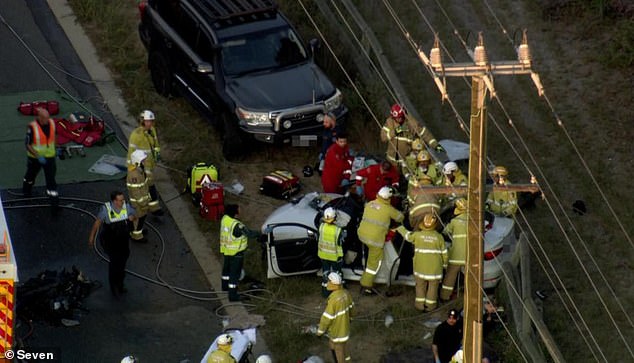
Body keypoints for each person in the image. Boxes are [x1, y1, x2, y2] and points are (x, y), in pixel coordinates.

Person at [88, 191, 137, 297]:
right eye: (120, 200)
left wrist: (132, 217)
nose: (123, 201)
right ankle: (114, 287)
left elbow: (134, 214)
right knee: (114, 264)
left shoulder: (126, 206)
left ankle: (120, 285)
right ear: (114, 201)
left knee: (122, 264)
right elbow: (97, 223)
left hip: (123, 241)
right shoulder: (106, 210)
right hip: (111, 241)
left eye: (123, 199)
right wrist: (91, 237)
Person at [395, 213, 448, 311]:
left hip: (420, 268)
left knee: (420, 286)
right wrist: (444, 265)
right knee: (433, 288)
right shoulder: (439, 237)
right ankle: (430, 306)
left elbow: (408, 236)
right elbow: (445, 253)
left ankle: (419, 306)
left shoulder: (417, 235)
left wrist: (400, 228)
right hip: (434, 270)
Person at [357, 186, 404, 295]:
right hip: (375, 240)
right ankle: (366, 285)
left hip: (362, 235)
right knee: (374, 264)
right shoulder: (388, 209)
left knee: (369, 255)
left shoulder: (370, 204)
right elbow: (400, 217)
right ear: (388, 198)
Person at [380, 104, 443, 172]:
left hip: (406, 162)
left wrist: (436, 145)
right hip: (391, 162)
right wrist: (395, 131)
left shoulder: (411, 123)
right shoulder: (389, 123)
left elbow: (425, 134)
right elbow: (383, 138)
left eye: (401, 117)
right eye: (397, 118)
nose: (399, 119)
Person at [220, 204, 260, 301]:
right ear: (235, 213)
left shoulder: (225, 219)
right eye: (239, 210)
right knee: (235, 274)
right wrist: (262, 232)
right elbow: (249, 234)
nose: (240, 212)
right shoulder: (237, 225)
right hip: (236, 253)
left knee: (226, 271)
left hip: (227, 250)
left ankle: (225, 287)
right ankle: (233, 295)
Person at [128, 110, 163, 215]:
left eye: (151, 121)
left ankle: (153, 207)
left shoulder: (152, 131)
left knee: (150, 184)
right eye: (148, 121)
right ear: (142, 121)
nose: (150, 123)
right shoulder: (136, 135)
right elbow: (131, 152)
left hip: (150, 164)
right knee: (146, 186)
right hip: (141, 166)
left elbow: (155, 144)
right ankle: (146, 208)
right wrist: (133, 168)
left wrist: (157, 154)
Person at [22, 107, 58, 203]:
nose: (47, 120)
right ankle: (26, 192)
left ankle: (54, 201)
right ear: (40, 118)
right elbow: (28, 144)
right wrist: (38, 155)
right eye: (45, 118)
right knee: (30, 176)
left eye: (48, 117)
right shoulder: (32, 127)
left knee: (51, 179)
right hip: (35, 158)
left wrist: (56, 148)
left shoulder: (52, 123)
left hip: (49, 157)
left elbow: (54, 136)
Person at [316, 272, 354, 363]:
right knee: (342, 346)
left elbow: (326, 318)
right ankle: (348, 360)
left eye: (329, 281)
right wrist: (350, 320)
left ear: (332, 284)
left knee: (339, 351)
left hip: (337, 332)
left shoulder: (333, 300)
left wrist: (320, 332)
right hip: (345, 329)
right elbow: (352, 309)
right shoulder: (346, 294)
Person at [440, 198, 468, 301]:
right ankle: (470, 297)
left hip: (456, 255)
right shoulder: (473, 221)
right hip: (469, 256)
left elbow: (445, 232)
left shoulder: (454, 221)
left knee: (450, 277)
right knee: (471, 279)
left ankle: (444, 296)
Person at [318, 207, 346, 297]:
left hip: (323, 255)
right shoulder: (338, 230)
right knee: (337, 274)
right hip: (335, 256)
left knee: (326, 273)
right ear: (334, 218)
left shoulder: (321, 227)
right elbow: (341, 242)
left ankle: (325, 292)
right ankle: (340, 290)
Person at [126, 150, 151, 242]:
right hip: (138, 204)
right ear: (138, 162)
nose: (145, 161)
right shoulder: (134, 175)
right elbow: (136, 192)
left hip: (140, 202)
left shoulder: (139, 170)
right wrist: (143, 203)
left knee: (140, 218)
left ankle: (136, 231)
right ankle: (137, 236)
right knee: (138, 219)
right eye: (143, 160)